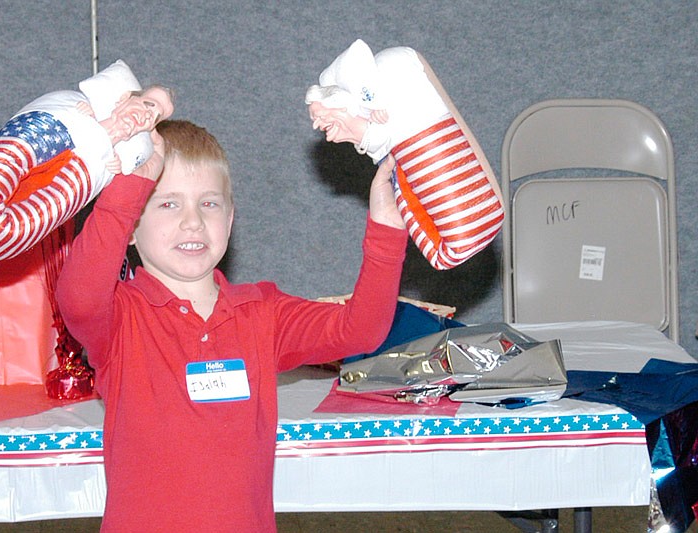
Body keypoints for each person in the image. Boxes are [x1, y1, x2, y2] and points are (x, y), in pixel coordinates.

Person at [55, 119, 408, 532]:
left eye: (209, 203)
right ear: (131, 226)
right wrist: (128, 188)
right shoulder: (121, 318)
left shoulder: (262, 312)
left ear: (230, 218)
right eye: (168, 203)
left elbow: (360, 330)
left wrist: (388, 226)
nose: (193, 222)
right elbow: (77, 296)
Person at [305, 39, 504, 270]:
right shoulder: (364, 127)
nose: (317, 124)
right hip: (407, 158)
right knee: (448, 250)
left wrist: (372, 100)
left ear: (340, 104)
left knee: (451, 247)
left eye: (319, 115)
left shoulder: (375, 95)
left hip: (420, 147)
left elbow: (355, 54)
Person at [0, 68, 174, 262]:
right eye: (148, 103)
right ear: (125, 98)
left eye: (155, 116)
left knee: (36, 208)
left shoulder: (114, 157)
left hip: (69, 169)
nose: (147, 114)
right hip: (56, 143)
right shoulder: (83, 110)